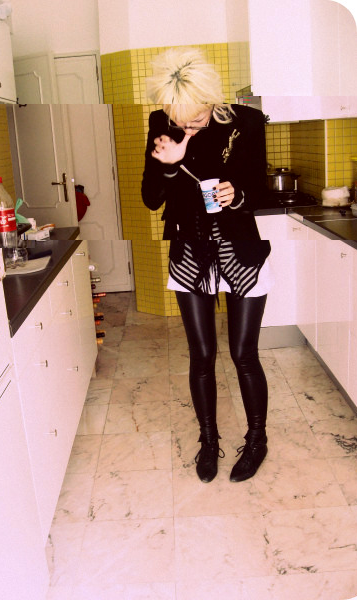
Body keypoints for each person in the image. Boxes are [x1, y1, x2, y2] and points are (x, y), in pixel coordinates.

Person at [141, 47, 272, 483]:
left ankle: (257, 440)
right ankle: (209, 440)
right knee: (201, 355)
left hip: (240, 249)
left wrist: (239, 195)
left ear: (212, 101)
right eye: (180, 122)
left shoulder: (246, 122)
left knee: (243, 354)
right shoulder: (162, 124)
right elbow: (151, 198)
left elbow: (260, 189)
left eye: (195, 121)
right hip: (190, 249)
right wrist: (168, 167)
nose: (188, 130)